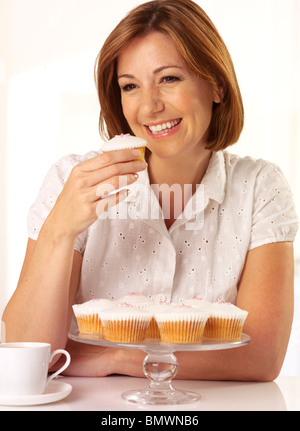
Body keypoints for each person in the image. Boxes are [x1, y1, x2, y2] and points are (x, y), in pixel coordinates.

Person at [2, 0, 298, 381]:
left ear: (217, 84)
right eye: (130, 86)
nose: (149, 106)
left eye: (169, 78)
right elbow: (24, 358)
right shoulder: (71, 181)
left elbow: (261, 359)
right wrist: (60, 230)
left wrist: (115, 358)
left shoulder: (260, 189)